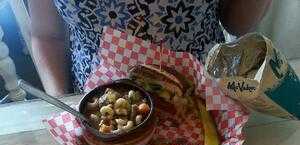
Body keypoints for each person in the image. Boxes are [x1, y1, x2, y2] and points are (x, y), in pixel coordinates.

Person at [29, 0, 272, 96]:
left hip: (203, 101)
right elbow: (47, 35)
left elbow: (237, 24)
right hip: (95, 107)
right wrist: (62, 104)